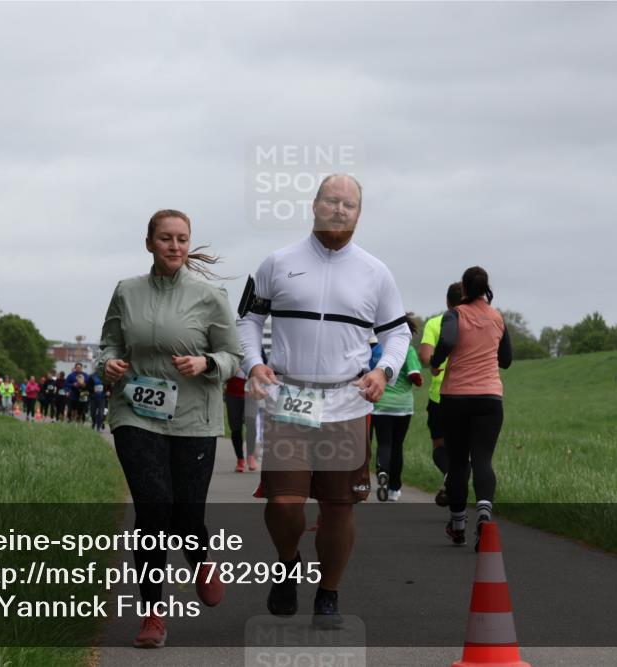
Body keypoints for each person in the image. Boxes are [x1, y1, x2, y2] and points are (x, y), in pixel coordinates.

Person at [237, 174, 411, 627]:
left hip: (346, 403)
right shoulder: (275, 263)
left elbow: (397, 333)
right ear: (314, 205)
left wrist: (383, 370)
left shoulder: (376, 272)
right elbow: (248, 322)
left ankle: (328, 593)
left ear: (359, 214)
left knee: (338, 507)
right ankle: (288, 560)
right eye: (331, 201)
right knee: (283, 504)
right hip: (288, 399)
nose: (339, 210)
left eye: (349, 204)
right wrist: (254, 364)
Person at [99, 208, 243, 648]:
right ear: (149, 243)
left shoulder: (210, 296)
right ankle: (152, 615)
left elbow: (233, 355)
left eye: (182, 238)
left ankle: (200, 559)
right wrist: (109, 363)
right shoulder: (127, 291)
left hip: (193, 419)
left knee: (185, 515)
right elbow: (109, 341)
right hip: (135, 412)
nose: (175, 246)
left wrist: (206, 363)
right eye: (165, 238)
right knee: (153, 510)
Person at [430, 266, 512, 551]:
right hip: (490, 398)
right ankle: (485, 516)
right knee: (483, 460)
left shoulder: (455, 314)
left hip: (456, 398)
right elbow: (506, 359)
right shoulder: (497, 317)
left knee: (458, 463)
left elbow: (449, 339)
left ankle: (459, 525)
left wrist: (437, 361)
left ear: (463, 290)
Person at [418, 282, 463, 506]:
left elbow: (425, 356)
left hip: (440, 396)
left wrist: (434, 364)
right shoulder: (479, 322)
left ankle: (448, 475)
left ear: (447, 302)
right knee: (465, 447)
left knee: (440, 446)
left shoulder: (435, 323)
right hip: (475, 395)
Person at [370, 315, 423, 502]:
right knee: (397, 446)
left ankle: (382, 471)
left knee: (384, 443)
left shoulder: (376, 349)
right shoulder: (407, 350)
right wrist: (419, 380)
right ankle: (394, 489)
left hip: (379, 404)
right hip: (402, 406)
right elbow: (415, 375)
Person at [224, 368, 258, 472]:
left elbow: (263, 363)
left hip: (251, 393)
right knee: (236, 428)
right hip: (233, 394)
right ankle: (240, 459)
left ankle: (250, 456)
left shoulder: (255, 352)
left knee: (251, 424)